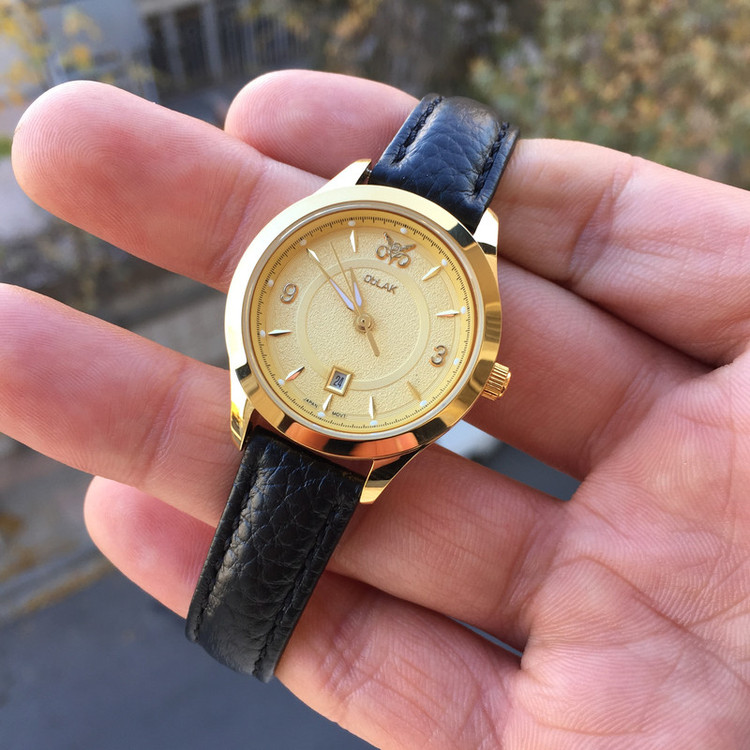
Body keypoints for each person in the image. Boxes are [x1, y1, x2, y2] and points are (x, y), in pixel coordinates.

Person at [4, 69, 749, 748]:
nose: (365, 323)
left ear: (478, 374)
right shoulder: (332, 237)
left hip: (356, 424)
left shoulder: (470, 282)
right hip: (284, 393)